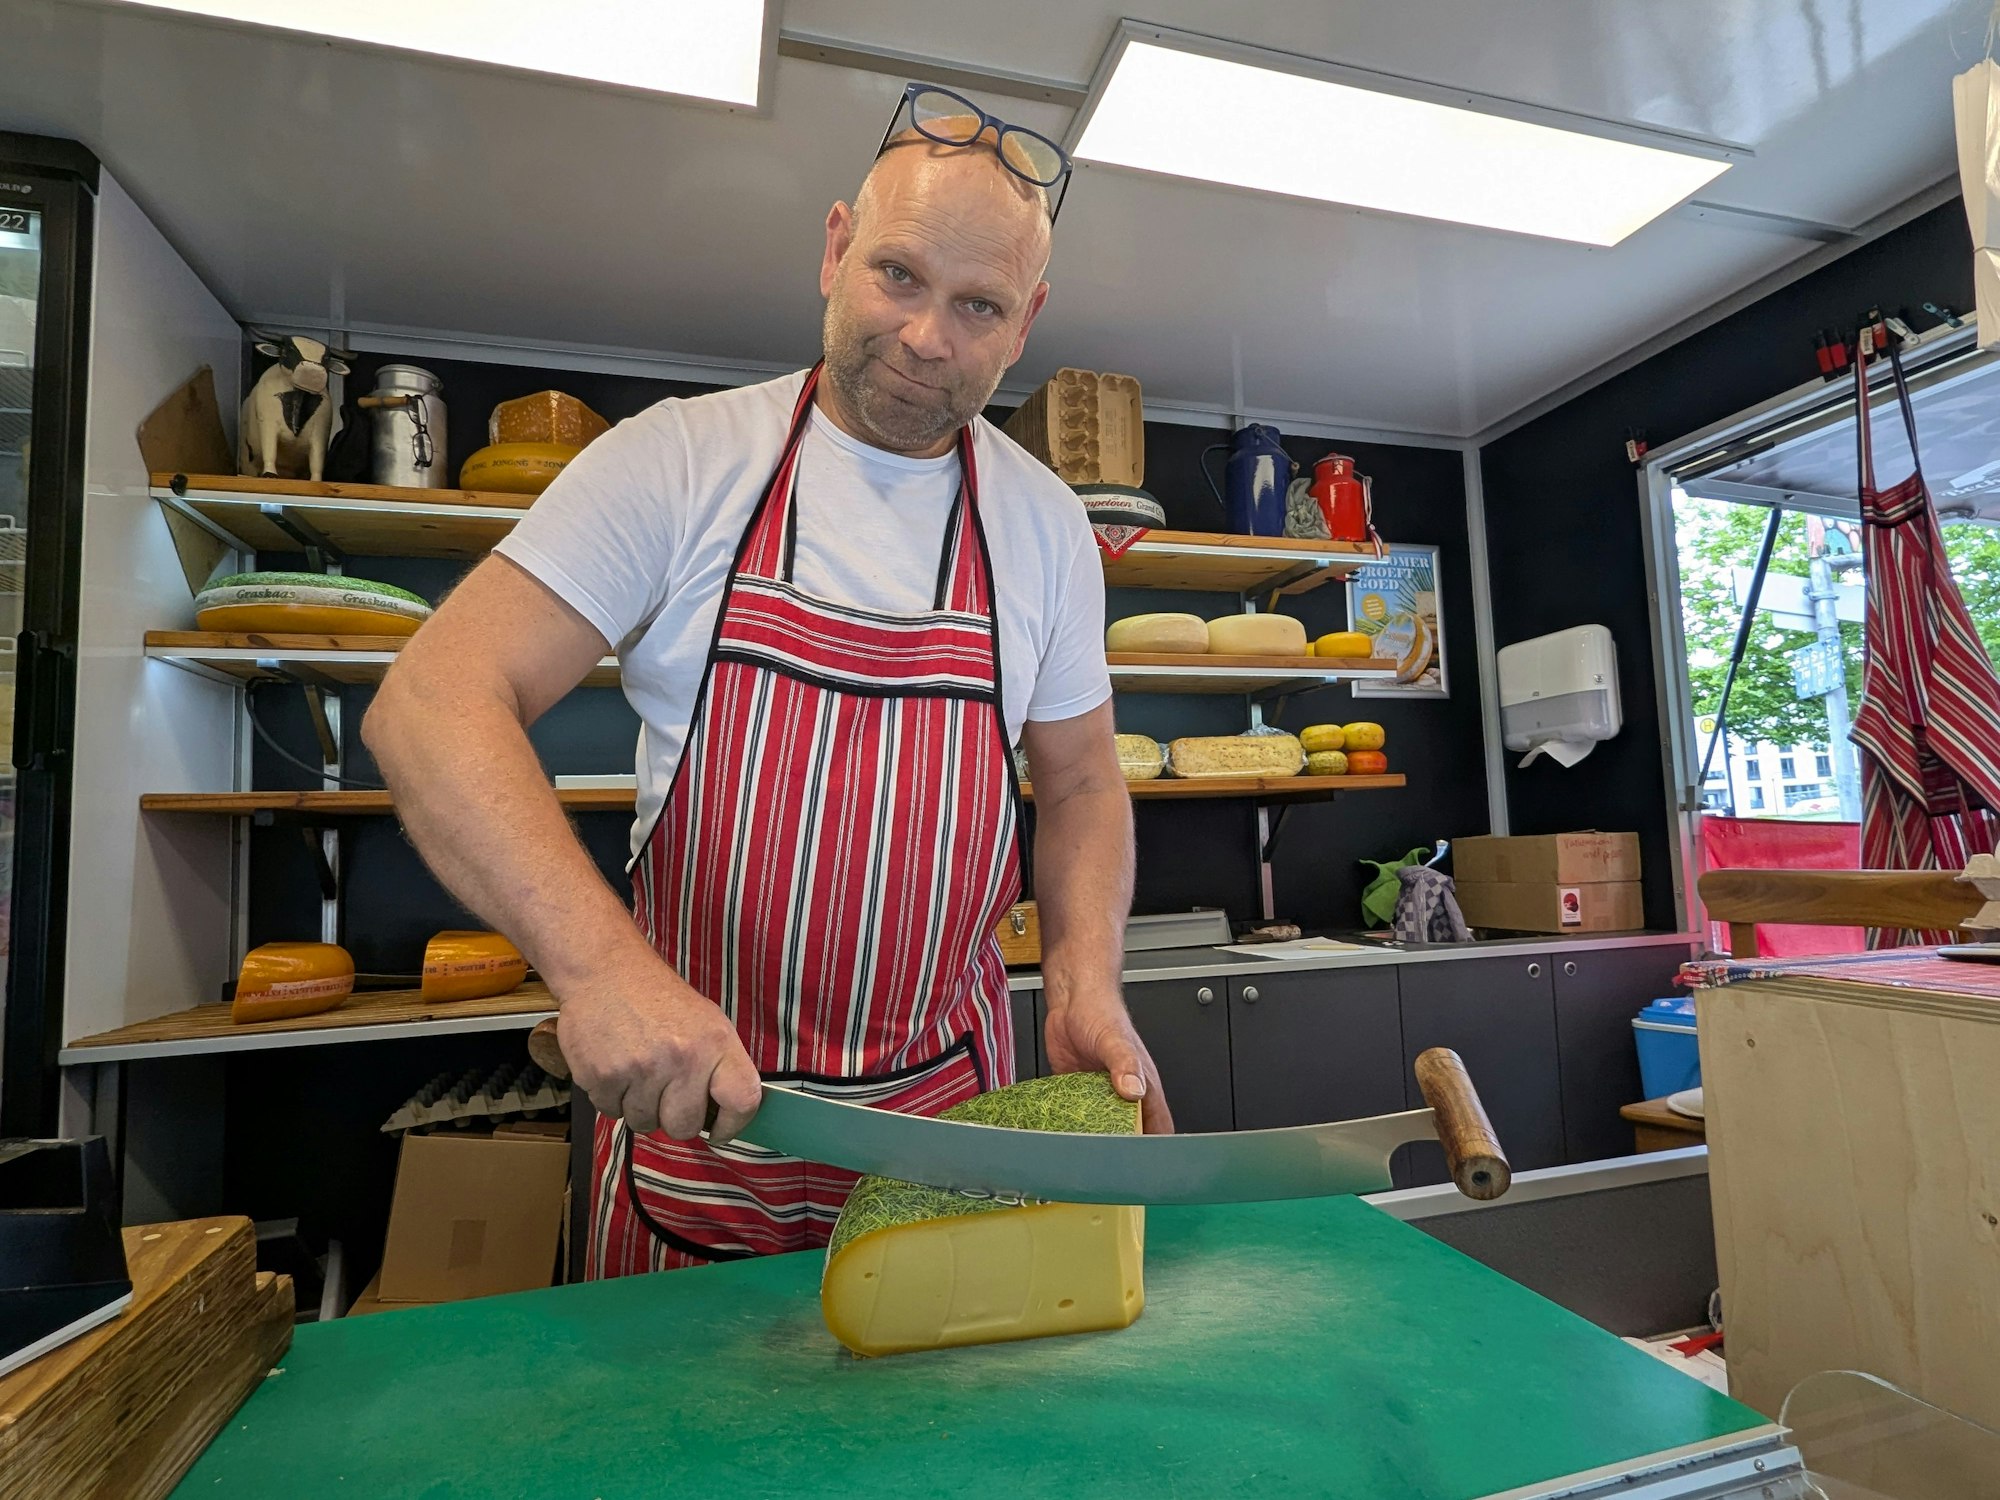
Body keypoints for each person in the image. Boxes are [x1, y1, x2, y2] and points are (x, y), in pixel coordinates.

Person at [364, 85, 1172, 1276]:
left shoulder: (1043, 527)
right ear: (836, 247)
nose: (926, 338)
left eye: (978, 305)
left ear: (1025, 319)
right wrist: (601, 973)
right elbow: (432, 701)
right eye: (898, 276)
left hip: (944, 1138)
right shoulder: (680, 462)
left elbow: (1086, 785)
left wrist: (1084, 982)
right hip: (695, 1130)